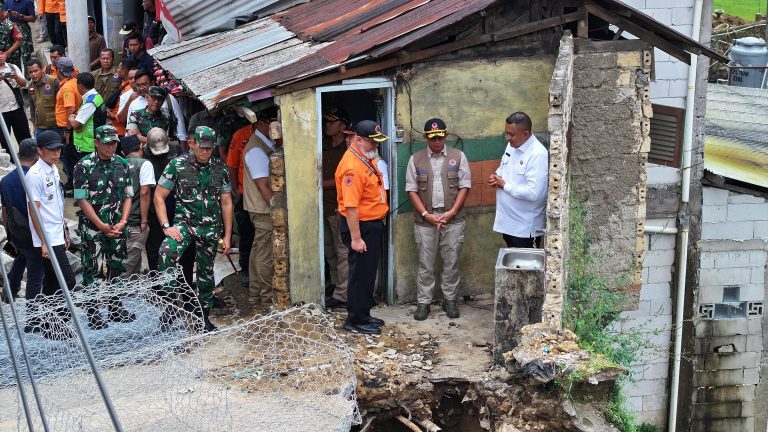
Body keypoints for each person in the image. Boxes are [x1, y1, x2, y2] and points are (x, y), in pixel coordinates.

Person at [155, 126, 232, 331]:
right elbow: (158, 196)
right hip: (185, 226)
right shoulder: (177, 165)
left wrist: (227, 235)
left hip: (209, 229)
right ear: (192, 144)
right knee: (166, 253)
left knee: (206, 274)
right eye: (202, 147)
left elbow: (226, 202)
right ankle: (172, 304)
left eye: (209, 147)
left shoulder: (219, 168)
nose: (206, 151)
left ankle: (203, 316)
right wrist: (166, 227)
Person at [405, 118, 471, 320]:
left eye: (440, 136)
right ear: (426, 137)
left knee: (451, 263)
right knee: (425, 264)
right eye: (433, 137)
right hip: (426, 220)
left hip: (453, 219)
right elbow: (412, 190)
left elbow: (465, 187)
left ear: (446, 135)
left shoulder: (458, 157)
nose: (437, 141)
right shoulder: (415, 159)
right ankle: (424, 302)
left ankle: (450, 300)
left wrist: (451, 213)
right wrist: (427, 215)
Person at [73, 125, 135, 329]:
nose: (111, 147)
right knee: (93, 269)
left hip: (117, 225)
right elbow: (82, 200)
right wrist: (101, 225)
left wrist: (123, 221)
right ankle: (93, 313)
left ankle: (116, 307)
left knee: (117, 265)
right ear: (96, 143)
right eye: (107, 143)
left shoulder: (123, 164)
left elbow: (128, 195)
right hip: (93, 227)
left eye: (114, 143)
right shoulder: (84, 166)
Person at [335, 120, 389, 335]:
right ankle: (356, 319)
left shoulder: (364, 158)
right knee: (359, 274)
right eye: (371, 143)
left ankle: (364, 313)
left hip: (371, 224)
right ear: (357, 139)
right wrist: (356, 239)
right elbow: (351, 207)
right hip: (360, 227)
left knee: (367, 273)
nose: (375, 147)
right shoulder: (352, 167)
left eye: (377, 143)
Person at [25, 131, 77, 340]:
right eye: (52, 150)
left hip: (57, 232)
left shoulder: (53, 169)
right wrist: (44, 242)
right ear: (39, 150)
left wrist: (65, 229)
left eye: (58, 149)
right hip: (46, 237)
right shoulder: (35, 175)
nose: (56, 153)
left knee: (52, 282)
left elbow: (55, 204)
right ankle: (55, 322)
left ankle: (47, 322)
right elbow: (34, 211)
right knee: (68, 281)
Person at [489, 112, 548, 248]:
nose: (508, 138)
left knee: (525, 268)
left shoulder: (537, 155)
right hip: (508, 224)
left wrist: (504, 185)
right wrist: (496, 176)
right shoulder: (512, 145)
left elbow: (534, 194)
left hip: (525, 230)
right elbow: (504, 167)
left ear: (525, 134)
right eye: (506, 133)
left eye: (511, 134)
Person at [241, 113, 275, 309]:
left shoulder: (264, 144)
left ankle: (255, 294)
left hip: (258, 207)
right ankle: (266, 296)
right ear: (261, 123)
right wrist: (275, 208)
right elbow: (263, 184)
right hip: (262, 209)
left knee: (258, 250)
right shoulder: (256, 149)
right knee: (265, 253)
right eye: (272, 122)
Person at [1, 138, 37, 304]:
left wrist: (10, 235)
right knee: (37, 271)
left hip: (18, 230)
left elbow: (5, 210)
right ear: (37, 155)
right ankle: (34, 311)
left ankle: (11, 290)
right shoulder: (36, 177)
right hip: (37, 230)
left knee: (22, 256)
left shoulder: (6, 181)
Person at [321, 107, 350, 309]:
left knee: (342, 252)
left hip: (338, 208)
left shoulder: (347, 151)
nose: (327, 126)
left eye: (332, 122)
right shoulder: (322, 145)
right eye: (327, 122)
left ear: (343, 126)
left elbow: (342, 179)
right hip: (322, 205)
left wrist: (318, 184)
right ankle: (334, 284)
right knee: (329, 250)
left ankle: (343, 294)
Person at [225, 120, 254, 287]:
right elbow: (232, 165)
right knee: (246, 234)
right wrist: (236, 190)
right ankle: (246, 270)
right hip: (244, 193)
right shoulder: (241, 135)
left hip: (266, 193)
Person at [121, 134, 154, 277]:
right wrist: (144, 220)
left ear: (123, 152)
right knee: (126, 266)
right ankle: (114, 297)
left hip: (120, 220)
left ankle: (131, 296)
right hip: (135, 221)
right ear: (141, 147)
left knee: (133, 261)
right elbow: (145, 193)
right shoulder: (144, 164)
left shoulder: (118, 163)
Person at [54, 57, 81, 191]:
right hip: (70, 126)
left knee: (69, 157)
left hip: (67, 128)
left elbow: (70, 109)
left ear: (59, 71)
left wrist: (67, 131)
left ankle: (76, 186)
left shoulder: (67, 88)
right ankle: (73, 183)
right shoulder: (74, 82)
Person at [68, 72, 102, 159]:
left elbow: (76, 124)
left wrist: (71, 118)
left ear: (81, 86)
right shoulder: (96, 96)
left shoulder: (90, 102)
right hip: (91, 143)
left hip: (88, 146)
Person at [0, 51, 29, 151]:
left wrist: (16, 77)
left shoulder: (13, 67)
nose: (0, 56)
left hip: (17, 108)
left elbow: (24, 84)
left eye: (1, 53)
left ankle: (28, 160)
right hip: (1, 113)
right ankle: (12, 163)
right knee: (5, 141)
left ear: (5, 54)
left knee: (24, 138)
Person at [26, 58, 60, 139]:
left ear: (42, 69)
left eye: (36, 71)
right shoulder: (30, 85)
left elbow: (61, 103)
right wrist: (34, 125)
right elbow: (32, 106)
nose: (33, 74)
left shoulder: (53, 81)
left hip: (55, 126)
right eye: (30, 72)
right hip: (39, 127)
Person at [5, 0, 34, 72]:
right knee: (13, 57)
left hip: (24, 29)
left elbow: (33, 18)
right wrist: (6, 15)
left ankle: (29, 78)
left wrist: (20, 16)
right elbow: (4, 15)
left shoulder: (27, 2)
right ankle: (17, 77)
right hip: (11, 30)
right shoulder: (8, 2)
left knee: (26, 55)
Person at [112, 62, 138, 136]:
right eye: (130, 78)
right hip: (129, 135)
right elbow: (121, 119)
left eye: (135, 77)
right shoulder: (125, 95)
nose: (133, 80)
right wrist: (130, 100)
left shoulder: (150, 95)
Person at [0, 2, 23, 69]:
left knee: (14, 75)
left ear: (2, 11)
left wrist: (7, 53)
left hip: (11, 58)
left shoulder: (11, 25)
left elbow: (19, 40)